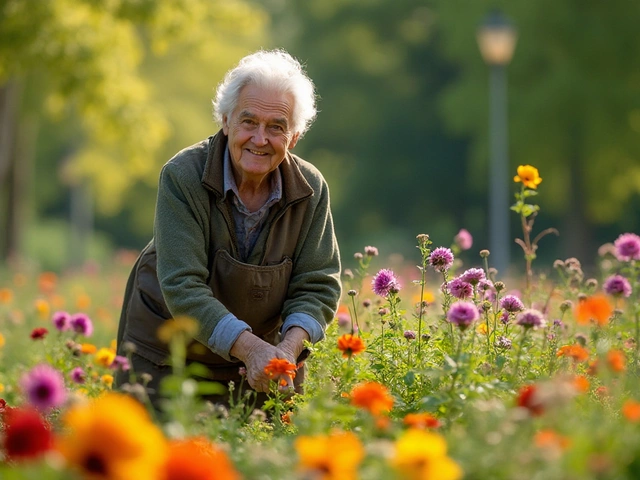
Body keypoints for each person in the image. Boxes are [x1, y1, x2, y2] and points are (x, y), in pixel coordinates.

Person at [114, 49, 341, 410]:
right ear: (225, 121)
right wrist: (250, 348)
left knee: (263, 462)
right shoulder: (183, 176)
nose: (260, 138)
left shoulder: (310, 189)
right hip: (168, 355)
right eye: (248, 121)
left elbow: (318, 284)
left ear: (294, 137)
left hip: (263, 361)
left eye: (276, 127)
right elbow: (182, 285)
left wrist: (286, 350)